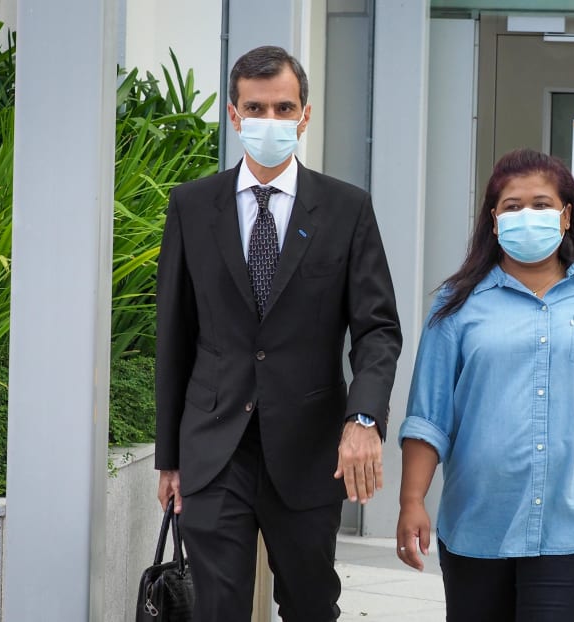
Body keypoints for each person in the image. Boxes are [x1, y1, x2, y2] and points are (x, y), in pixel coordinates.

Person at [154, 45, 402, 622]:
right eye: (256, 108)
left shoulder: (346, 209)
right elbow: (174, 334)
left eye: (284, 107)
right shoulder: (192, 206)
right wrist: (170, 457)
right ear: (235, 117)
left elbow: (377, 330)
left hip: (310, 448)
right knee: (217, 607)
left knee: (312, 606)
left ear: (305, 115)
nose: (271, 121)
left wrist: (363, 419)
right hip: (215, 446)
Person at [395, 148, 574, 621]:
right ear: (494, 219)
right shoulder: (457, 303)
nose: (528, 215)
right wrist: (411, 501)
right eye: (513, 205)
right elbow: (429, 414)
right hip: (477, 520)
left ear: (566, 216)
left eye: (542, 204)